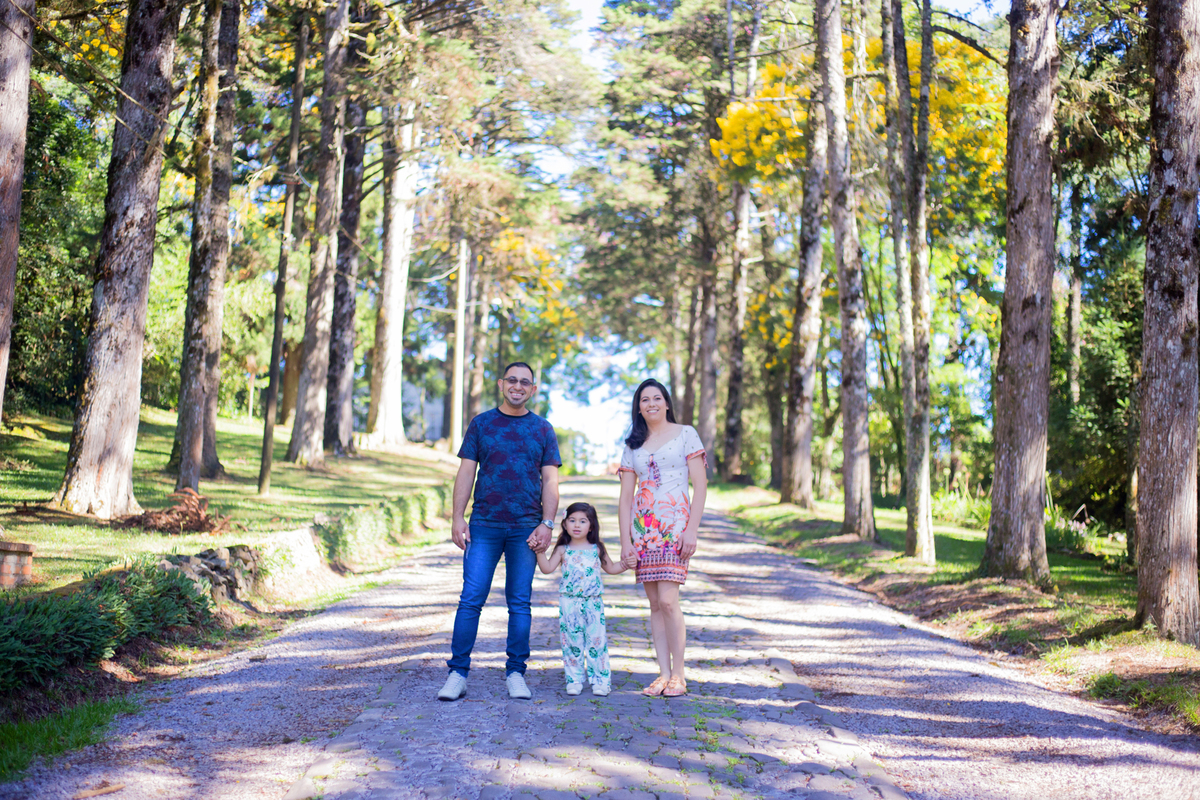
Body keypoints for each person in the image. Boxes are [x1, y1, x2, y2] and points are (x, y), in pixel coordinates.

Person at [439, 362, 562, 701]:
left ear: (533, 390)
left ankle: (516, 674)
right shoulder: (482, 424)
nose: (518, 386)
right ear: (501, 384)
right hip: (484, 524)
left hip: (526, 529)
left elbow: (551, 480)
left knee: (519, 603)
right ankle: (457, 674)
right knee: (471, 599)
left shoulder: (543, 429)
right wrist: (457, 518)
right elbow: (466, 472)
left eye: (525, 382)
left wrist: (547, 523)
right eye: (512, 380)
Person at [617, 378, 707, 698]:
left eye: (657, 398)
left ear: (666, 403)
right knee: (655, 604)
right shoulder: (632, 445)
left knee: (669, 601)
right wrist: (626, 541)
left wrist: (692, 529)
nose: (651, 404)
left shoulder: (685, 434)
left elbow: (700, 485)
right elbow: (626, 498)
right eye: (644, 400)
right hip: (644, 532)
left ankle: (679, 675)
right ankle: (663, 674)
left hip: (675, 528)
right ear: (638, 407)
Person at [535, 501, 632, 697]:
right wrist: (539, 552)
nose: (577, 525)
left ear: (591, 526)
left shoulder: (597, 549)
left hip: (593, 602)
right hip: (569, 602)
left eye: (582, 521)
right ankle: (574, 680)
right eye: (572, 520)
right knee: (572, 641)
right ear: (564, 524)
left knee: (597, 641)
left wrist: (626, 564)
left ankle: (601, 681)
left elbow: (611, 568)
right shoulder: (563, 549)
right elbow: (546, 569)